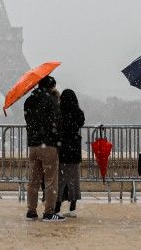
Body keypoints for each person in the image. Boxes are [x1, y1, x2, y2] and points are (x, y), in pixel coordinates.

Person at [24, 75, 65, 222]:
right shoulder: (51, 101)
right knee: (50, 180)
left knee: (33, 180)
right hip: (48, 145)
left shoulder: (29, 101)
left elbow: (28, 121)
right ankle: (49, 212)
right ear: (50, 86)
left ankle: (31, 211)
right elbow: (57, 123)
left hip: (34, 145)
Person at [55, 89, 85, 217]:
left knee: (60, 180)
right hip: (74, 150)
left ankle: (57, 207)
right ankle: (72, 207)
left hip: (62, 150)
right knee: (74, 180)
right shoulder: (78, 113)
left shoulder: (59, 112)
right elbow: (80, 123)